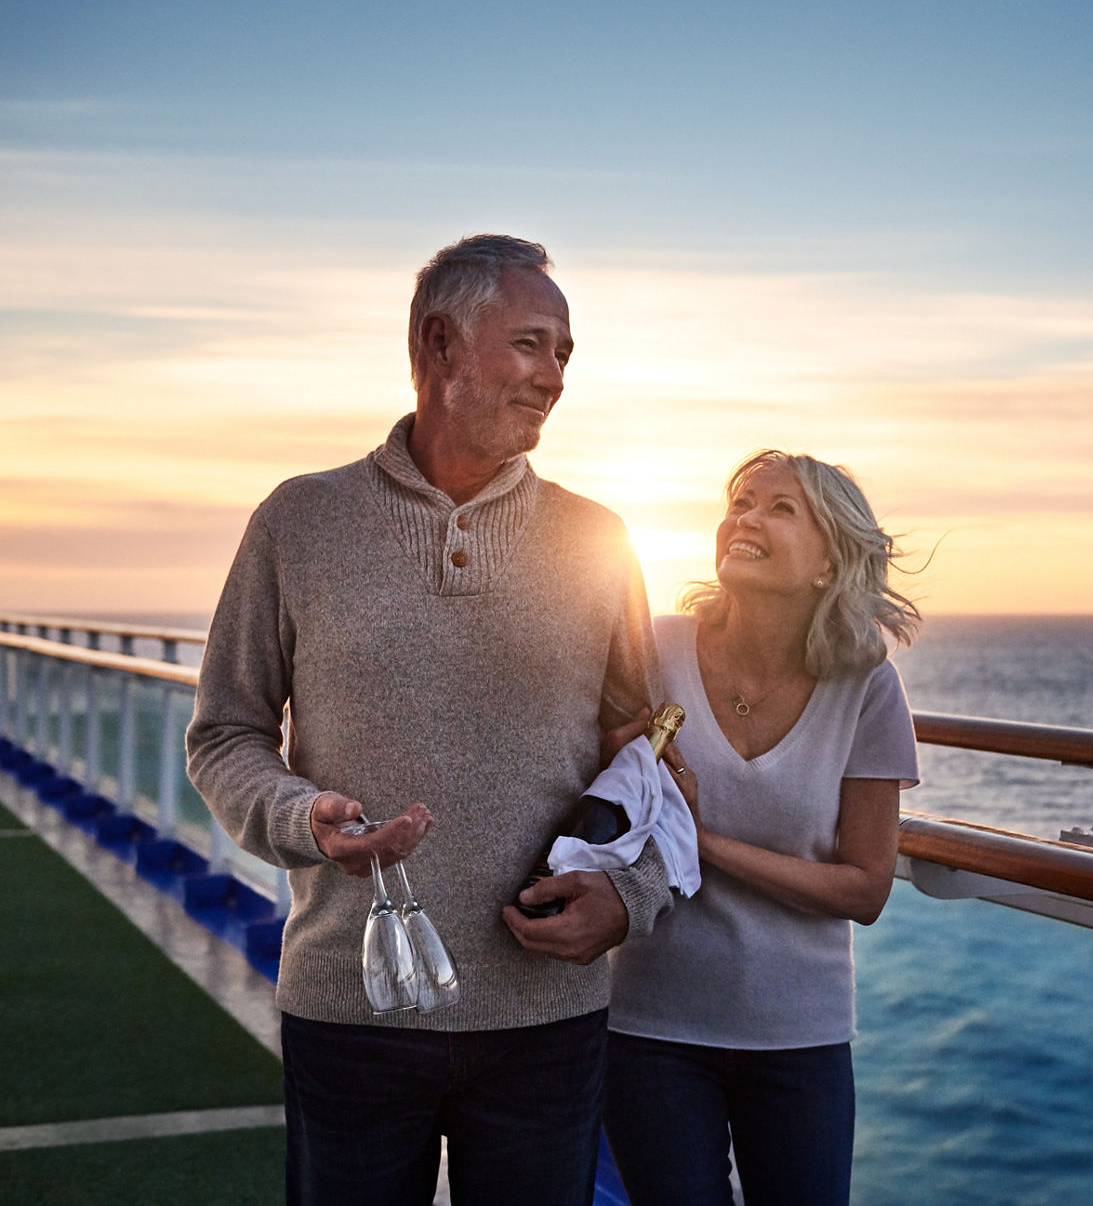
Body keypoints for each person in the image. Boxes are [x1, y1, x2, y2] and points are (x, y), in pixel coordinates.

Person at [186, 235, 673, 1206]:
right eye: (531, 344)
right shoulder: (298, 520)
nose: (553, 378)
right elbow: (224, 732)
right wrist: (299, 814)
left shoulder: (600, 538)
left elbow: (651, 755)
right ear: (438, 342)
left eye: (565, 355)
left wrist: (636, 893)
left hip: (547, 1015)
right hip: (349, 1003)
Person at [603, 449, 921, 1206]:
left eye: (781, 509)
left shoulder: (866, 685)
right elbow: (596, 797)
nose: (746, 517)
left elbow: (866, 887)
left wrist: (706, 843)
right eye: (741, 502)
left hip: (799, 1039)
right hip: (652, 1027)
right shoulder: (655, 654)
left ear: (829, 563)